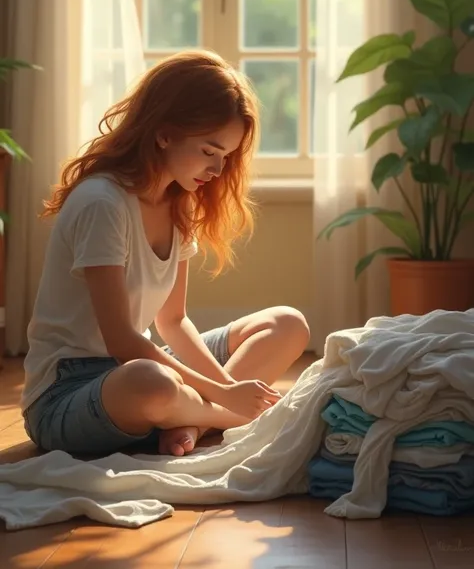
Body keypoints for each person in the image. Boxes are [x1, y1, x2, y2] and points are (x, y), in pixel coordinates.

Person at [20, 49, 310, 458]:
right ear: (164, 133)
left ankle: (190, 420)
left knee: (287, 324)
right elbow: (122, 341)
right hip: (68, 393)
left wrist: (224, 391)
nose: (216, 171)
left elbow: (173, 321)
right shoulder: (103, 202)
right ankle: (238, 417)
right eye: (209, 151)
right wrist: (227, 394)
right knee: (150, 382)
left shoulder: (178, 202)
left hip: (137, 369)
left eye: (225, 157)